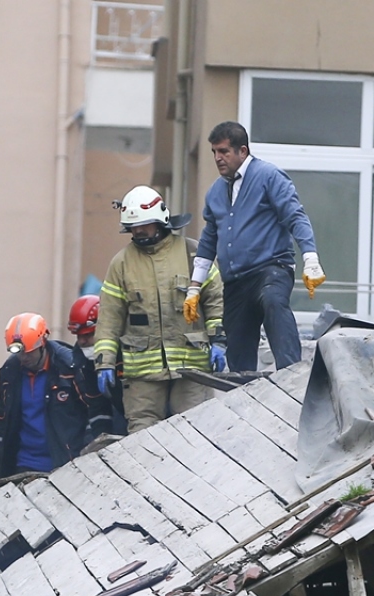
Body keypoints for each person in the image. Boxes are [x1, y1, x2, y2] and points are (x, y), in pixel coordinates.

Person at [184, 121, 325, 371]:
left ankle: (291, 371)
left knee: (273, 301)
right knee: (237, 339)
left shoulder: (269, 176)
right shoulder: (215, 192)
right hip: (237, 280)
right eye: (214, 152)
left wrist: (311, 258)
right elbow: (209, 240)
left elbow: (295, 216)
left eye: (224, 151)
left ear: (243, 151)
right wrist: (194, 287)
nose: (218, 158)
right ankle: (242, 386)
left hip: (272, 269)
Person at [97, 185, 226, 432]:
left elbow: (215, 300)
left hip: (191, 368)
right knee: (141, 438)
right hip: (143, 374)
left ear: (161, 220)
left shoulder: (193, 253)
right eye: (134, 227)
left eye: (145, 224)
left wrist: (219, 340)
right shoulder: (121, 264)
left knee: (195, 432)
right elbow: (110, 318)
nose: (139, 230)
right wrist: (104, 363)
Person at [0, 313, 97, 491]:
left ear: (42, 343)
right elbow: (2, 425)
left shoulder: (70, 367)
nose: (24, 358)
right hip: (23, 466)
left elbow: (93, 412)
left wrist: (84, 459)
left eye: (29, 352)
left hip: (65, 462)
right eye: (20, 353)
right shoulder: (10, 372)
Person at [66, 294, 126, 437]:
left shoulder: (126, 350)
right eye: (79, 336)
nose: (82, 342)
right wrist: (101, 438)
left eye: (88, 335)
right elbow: (97, 406)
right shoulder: (83, 363)